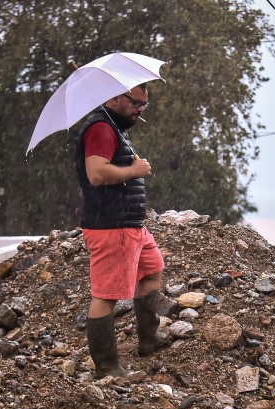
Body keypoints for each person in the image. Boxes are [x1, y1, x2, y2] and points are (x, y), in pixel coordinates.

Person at [75, 82, 166, 378]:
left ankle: (149, 340)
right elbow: (97, 173)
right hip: (111, 226)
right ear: (115, 97)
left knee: (152, 270)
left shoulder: (115, 128)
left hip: (130, 224)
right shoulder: (101, 128)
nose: (140, 110)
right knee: (106, 295)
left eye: (144, 106)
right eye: (136, 103)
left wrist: (130, 164)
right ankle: (107, 367)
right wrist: (134, 171)